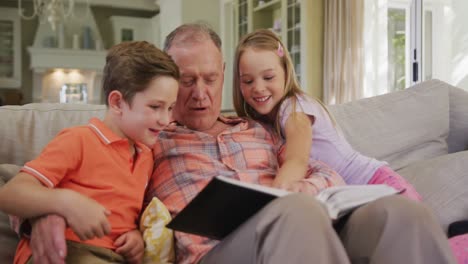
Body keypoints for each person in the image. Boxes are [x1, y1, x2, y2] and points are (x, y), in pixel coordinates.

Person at [22, 23, 456, 264]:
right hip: (221, 254)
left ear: (224, 73)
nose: (201, 93)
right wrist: (46, 214)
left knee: (400, 212)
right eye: (186, 81)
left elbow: (318, 168)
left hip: (313, 227)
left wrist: (308, 185)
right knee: (293, 212)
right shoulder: (152, 136)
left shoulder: (261, 128)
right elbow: (67, 178)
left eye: (210, 79)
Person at [0, 41, 179, 264]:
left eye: (170, 108)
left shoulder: (146, 155)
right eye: (155, 107)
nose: (166, 120)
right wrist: (66, 202)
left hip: (113, 256)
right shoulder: (79, 139)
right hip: (65, 250)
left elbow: (124, 212)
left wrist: (134, 235)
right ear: (117, 102)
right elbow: (9, 195)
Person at [234, 29, 421, 201]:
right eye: (248, 81)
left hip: (376, 183)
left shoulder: (294, 108)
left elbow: (297, 159)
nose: (258, 88)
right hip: (348, 197)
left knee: (423, 233)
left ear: (286, 73)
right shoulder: (262, 123)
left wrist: (272, 199)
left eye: (268, 77)